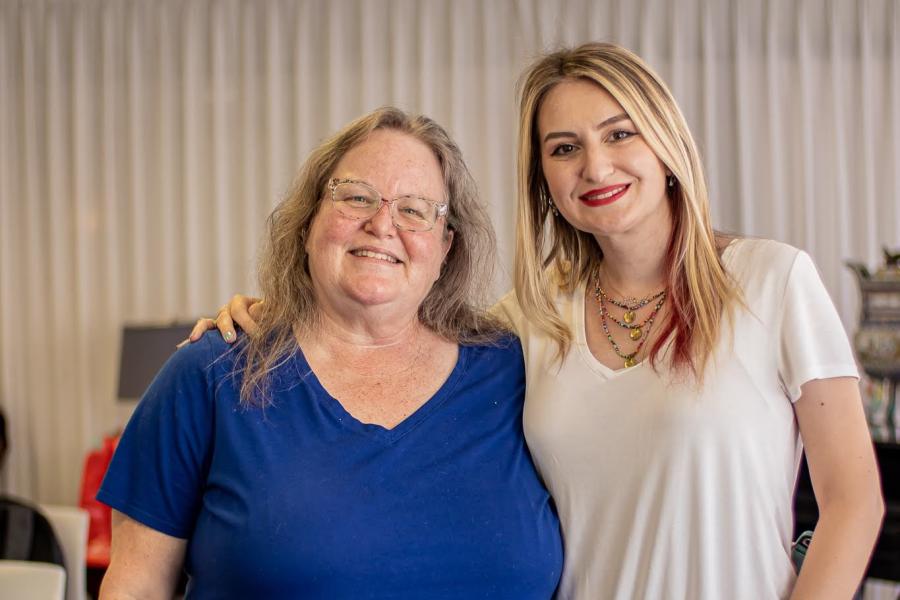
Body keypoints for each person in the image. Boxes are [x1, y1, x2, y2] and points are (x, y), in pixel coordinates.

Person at [202, 43, 885, 599]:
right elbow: (398, 330)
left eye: (620, 133)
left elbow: (853, 503)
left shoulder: (773, 281)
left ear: (666, 146)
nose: (595, 165)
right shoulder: (527, 320)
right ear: (546, 185)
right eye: (563, 148)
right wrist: (279, 314)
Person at [97, 107, 563, 599]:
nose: (383, 225)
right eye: (357, 197)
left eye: (414, 209)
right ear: (307, 223)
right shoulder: (212, 372)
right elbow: (135, 586)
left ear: (446, 247)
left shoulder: (517, 369)